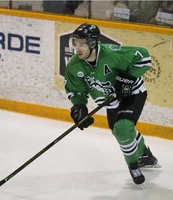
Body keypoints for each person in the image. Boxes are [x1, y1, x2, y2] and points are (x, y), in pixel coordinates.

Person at [64, 23, 158, 185]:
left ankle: (133, 165)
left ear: (93, 43)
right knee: (121, 132)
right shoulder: (74, 66)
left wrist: (128, 78)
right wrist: (79, 106)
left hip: (132, 94)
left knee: (122, 129)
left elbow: (143, 57)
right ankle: (145, 155)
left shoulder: (111, 54)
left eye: (82, 44)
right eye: (75, 43)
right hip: (110, 102)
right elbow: (76, 91)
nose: (77, 48)